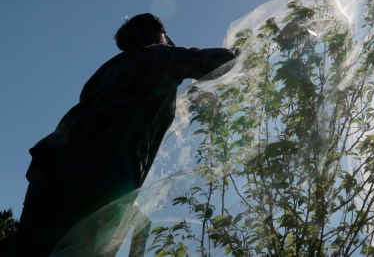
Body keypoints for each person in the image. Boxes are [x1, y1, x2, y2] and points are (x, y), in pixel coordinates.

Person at [15, 13, 236, 256]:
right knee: (82, 249)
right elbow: (222, 61)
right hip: (106, 157)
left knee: (31, 249)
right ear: (160, 36)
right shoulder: (163, 55)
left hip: (51, 157)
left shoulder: (107, 68)